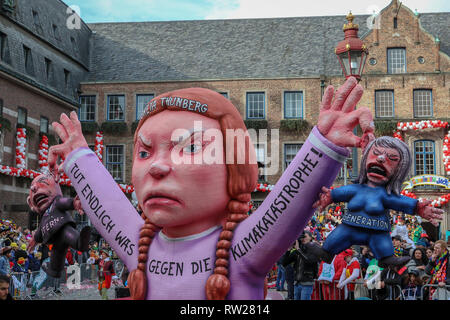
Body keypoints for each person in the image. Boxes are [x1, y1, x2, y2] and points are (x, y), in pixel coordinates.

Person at [47, 77, 375, 300]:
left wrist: (323, 146)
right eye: (144, 152)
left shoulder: (240, 248)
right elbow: (106, 205)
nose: (157, 166)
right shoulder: (140, 248)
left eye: (190, 148)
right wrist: (78, 155)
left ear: (234, 167)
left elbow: (286, 202)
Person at [312, 136, 443, 268]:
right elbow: (338, 193)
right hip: (349, 227)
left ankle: (386, 258)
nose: (381, 159)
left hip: (376, 231)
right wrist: (329, 197)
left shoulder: (385, 195)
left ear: (399, 169)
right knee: (337, 237)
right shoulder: (356, 189)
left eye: (392, 158)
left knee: (381, 240)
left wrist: (418, 208)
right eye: (375, 153)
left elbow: (401, 202)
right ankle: (326, 252)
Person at [26, 173, 90, 278]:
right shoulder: (44, 217)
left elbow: (64, 202)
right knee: (57, 252)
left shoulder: (56, 203)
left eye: (42, 183)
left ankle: (80, 242)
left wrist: (73, 203)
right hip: (54, 239)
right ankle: (54, 270)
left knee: (68, 234)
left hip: (62, 228)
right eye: (32, 189)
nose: (34, 188)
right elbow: (39, 232)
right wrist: (35, 239)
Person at [284, 231, 319, 300]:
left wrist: (298, 250)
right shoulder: (298, 250)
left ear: (311, 238)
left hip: (307, 283)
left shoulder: (314, 249)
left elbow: (309, 261)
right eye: (302, 237)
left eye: (305, 237)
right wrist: (288, 249)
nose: (303, 239)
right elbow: (285, 263)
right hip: (297, 283)